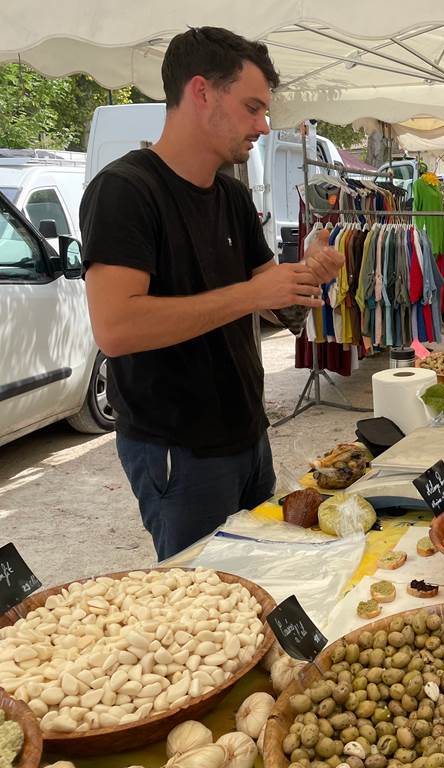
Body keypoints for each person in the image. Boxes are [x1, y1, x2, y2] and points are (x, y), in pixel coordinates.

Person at [81, 27, 342, 560]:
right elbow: (117, 329)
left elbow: (272, 296)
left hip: (248, 433)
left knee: (263, 578)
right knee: (205, 602)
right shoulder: (126, 191)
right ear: (201, 92)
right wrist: (250, 293)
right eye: (251, 107)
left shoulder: (231, 193)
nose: (263, 126)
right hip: (179, 449)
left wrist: (308, 274)